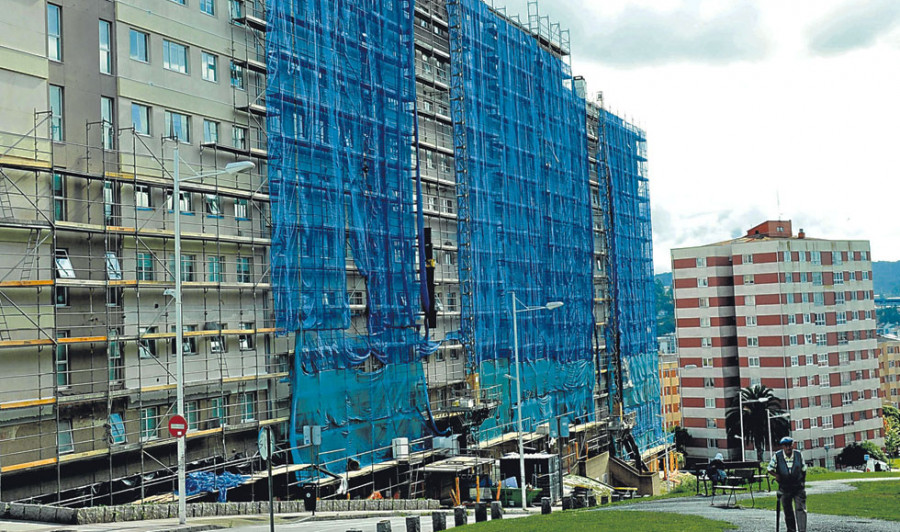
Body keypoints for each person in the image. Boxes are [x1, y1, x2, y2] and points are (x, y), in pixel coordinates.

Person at [768, 437, 807, 532]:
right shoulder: (777, 456)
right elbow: (769, 468)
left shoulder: (798, 454)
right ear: (783, 447)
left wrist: (802, 481)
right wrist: (776, 475)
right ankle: (791, 530)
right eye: (786, 446)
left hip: (798, 487)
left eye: (790, 445)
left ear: (792, 445)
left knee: (800, 509)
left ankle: (802, 530)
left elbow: (804, 468)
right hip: (784, 488)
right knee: (788, 511)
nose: (788, 447)